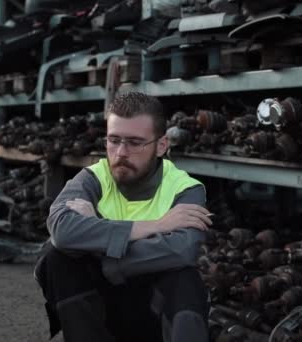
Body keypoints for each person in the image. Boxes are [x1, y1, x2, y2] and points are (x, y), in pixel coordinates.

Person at [35, 92, 213, 342]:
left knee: (185, 279)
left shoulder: (185, 188)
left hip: (152, 312)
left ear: (161, 145)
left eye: (135, 142)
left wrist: (103, 255)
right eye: (114, 140)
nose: (121, 152)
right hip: (103, 313)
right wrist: (154, 227)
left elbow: (183, 250)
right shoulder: (93, 178)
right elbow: (63, 232)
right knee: (56, 259)